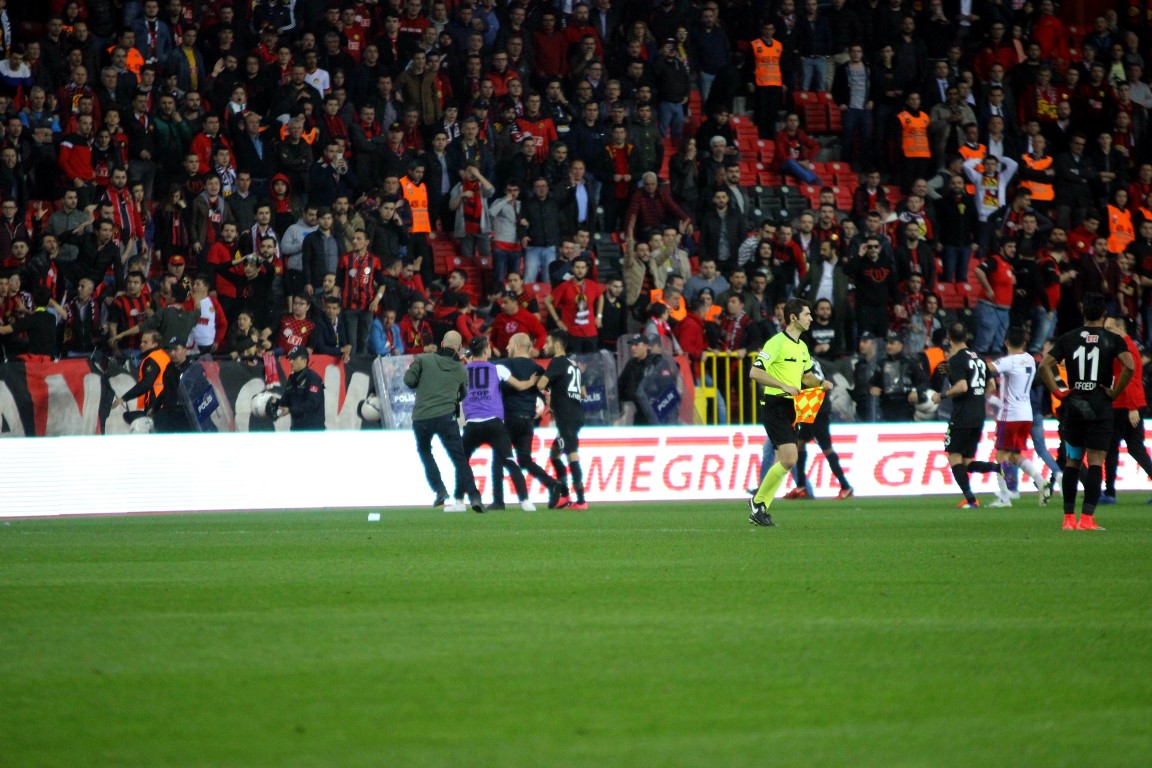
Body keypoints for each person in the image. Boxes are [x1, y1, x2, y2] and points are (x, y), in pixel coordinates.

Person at [1040, 292, 1134, 530]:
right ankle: (1087, 519)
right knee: (1095, 461)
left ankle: (1068, 519)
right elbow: (1130, 366)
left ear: (1083, 312)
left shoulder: (1068, 338)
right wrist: (1114, 392)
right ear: (1104, 314)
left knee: (1072, 462)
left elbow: (1044, 366)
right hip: (1099, 407)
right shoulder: (1113, 339)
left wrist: (1058, 392)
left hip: (1074, 408)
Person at [748, 297, 824, 527]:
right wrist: (783, 385)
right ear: (793, 317)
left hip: (794, 407)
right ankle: (758, 502)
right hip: (775, 405)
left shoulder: (802, 346)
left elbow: (806, 376)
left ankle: (759, 506)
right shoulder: (776, 342)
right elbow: (755, 372)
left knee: (786, 460)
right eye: (807, 314)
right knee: (790, 459)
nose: (811, 318)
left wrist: (822, 383)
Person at [404, 330, 484, 513]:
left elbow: (408, 380)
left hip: (422, 417)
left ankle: (440, 490)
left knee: (425, 451)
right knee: (459, 458)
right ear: (459, 347)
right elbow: (462, 394)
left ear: (441, 344)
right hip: (447, 417)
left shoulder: (423, 359)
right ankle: (474, 496)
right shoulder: (460, 369)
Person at [461, 335, 537, 512]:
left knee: (461, 462)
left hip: (472, 423)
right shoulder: (497, 368)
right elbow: (520, 385)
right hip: (494, 423)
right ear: (486, 351)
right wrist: (532, 381)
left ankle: (464, 499)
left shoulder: (463, 371)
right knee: (510, 461)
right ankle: (526, 501)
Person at [934, 322, 1004, 509]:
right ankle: (999, 468)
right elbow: (992, 385)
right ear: (966, 337)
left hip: (962, 415)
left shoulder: (956, 360)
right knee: (966, 463)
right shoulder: (979, 357)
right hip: (978, 415)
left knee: (954, 458)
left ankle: (971, 500)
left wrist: (941, 395)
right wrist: (978, 398)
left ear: (949, 337)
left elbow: (962, 386)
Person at [985, 327, 1049, 507]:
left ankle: (1005, 498)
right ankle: (1040, 480)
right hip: (1026, 415)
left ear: (1006, 343)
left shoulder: (1009, 361)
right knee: (1013, 456)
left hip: (1010, 415)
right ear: (1025, 342)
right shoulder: (1029, 359)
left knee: (1001, 455)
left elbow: (987, 368)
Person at [499, 332, 565, 504]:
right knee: (525, 460)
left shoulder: (504, 364)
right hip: (528, 420)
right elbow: (552, 388)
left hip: (509, 418)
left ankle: (499, 501)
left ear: (517, 346)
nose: (506, 347)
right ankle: (552, 484)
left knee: (499, 458)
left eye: (509, 344)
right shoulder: (537, 369)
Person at [1100, 315, 1152, 505]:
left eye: (1109, 329)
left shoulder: (1126, 349)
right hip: (1122, 404)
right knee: (1122, 448)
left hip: (1126, 405)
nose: (1105, 332)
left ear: (1120, 329)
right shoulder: (1122, 347)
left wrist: (1132, 408)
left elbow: (1130, 379)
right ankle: (1109, 492)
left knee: (1127, 448)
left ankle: (1110, 493)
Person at [786, 359, 855, 501]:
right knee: (800, 442)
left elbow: (808, 379)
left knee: (826, 447)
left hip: (816, 405)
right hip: (809, 403)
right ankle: (801, 486)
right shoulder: (809, 358)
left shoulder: (798, 359)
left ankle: (845, 486)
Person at [537, 330, 587, 510]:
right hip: (575, 414)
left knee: (572, 453)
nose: (544, 346)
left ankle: (581, 501)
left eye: (547, 342)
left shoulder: (557, 361)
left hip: (567, 416)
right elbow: (583, 393)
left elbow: (541, 384)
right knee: (555, 454)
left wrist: (536, 380)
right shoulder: (573, 364)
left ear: (557, 345)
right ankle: (565, 496)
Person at [111, 330, 169, 428]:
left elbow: (146, 384)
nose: (141, 345)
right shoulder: (162, 355)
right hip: (164, 404)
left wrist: (123, 398)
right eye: (141, 341)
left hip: (156, 406)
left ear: (154, 344)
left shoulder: (152, 360)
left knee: (127, 417)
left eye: (145, 342)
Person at [275, 347, 326, 431]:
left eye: (294, 359)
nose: (291, 361)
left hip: (313, 430)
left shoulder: (313, 378)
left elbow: (312, 404)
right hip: (296, 429)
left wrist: (290, 409)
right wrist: (274, 401)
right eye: (290, 359)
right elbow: (285, 401)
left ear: (304, 360)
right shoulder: (292, 379)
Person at [151, 336, 194, 433]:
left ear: (184, 349)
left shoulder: (193, 368)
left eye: (176, 349)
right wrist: (155, 407)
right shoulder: (170, 367)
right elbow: (166, 390)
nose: (172, 353)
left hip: (186, 416)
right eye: (170, 350)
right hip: (170, 413)